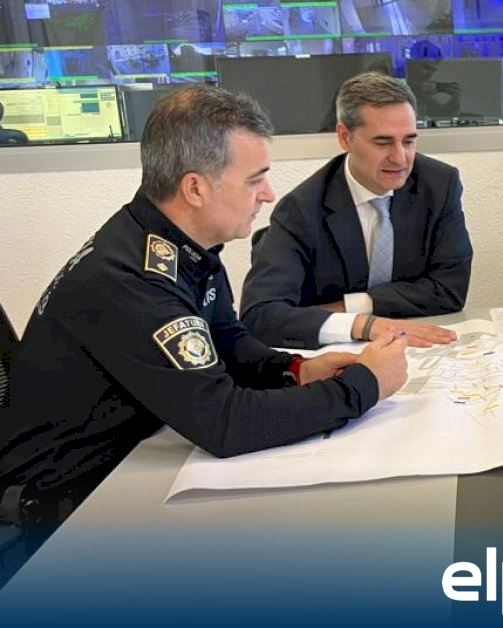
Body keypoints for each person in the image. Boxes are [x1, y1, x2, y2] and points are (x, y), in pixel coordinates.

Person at [0, 86, 410, 527]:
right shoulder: (131, 281)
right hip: (59, 508)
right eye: (254, 180)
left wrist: (295, 370)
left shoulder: (179, 244)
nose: (268, 194)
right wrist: (364, 386)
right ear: (195, 188)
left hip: (133, 461)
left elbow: (225, 339)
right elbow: (224, 423)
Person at [241, 72, 471, 349]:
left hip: (417, 348)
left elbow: (450, 289)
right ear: (345, 137)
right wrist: (364, 325)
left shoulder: (439, 185)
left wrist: (353, 306)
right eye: (383, 143)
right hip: (336, 355)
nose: (400, 158)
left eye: (409, 141)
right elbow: (260, 315)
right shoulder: (301, 209)